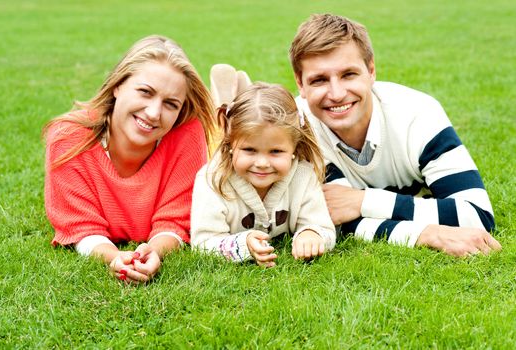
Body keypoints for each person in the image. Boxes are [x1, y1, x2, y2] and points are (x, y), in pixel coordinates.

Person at [289, 14, 501, 256]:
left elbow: (476, 214)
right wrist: (426, 234)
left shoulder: (418, 114)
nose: (336, 94)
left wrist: (362, 201)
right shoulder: (299, 128)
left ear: (371, 71)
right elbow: (336, 219)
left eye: (349, 74)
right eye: (319, 80)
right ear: (300, 84)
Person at [44, 35, 216, 283]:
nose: (154, 113)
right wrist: (114, 257)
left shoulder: (187, 133)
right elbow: (79, 225)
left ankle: (227, 107)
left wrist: (154, 251)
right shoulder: (68, 137)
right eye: (145, 92)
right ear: (118, 85)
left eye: (171, 104)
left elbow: (175, 220)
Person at [190, 83, 336, 267]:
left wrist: (311, 235)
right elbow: (202, 243)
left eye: (275, 151)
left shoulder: (303, 175)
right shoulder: (212, 179)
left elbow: (324, 229)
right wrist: (243, 244)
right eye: (249, 150)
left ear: (294, 148)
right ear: (230, 144)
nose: (262, 163)